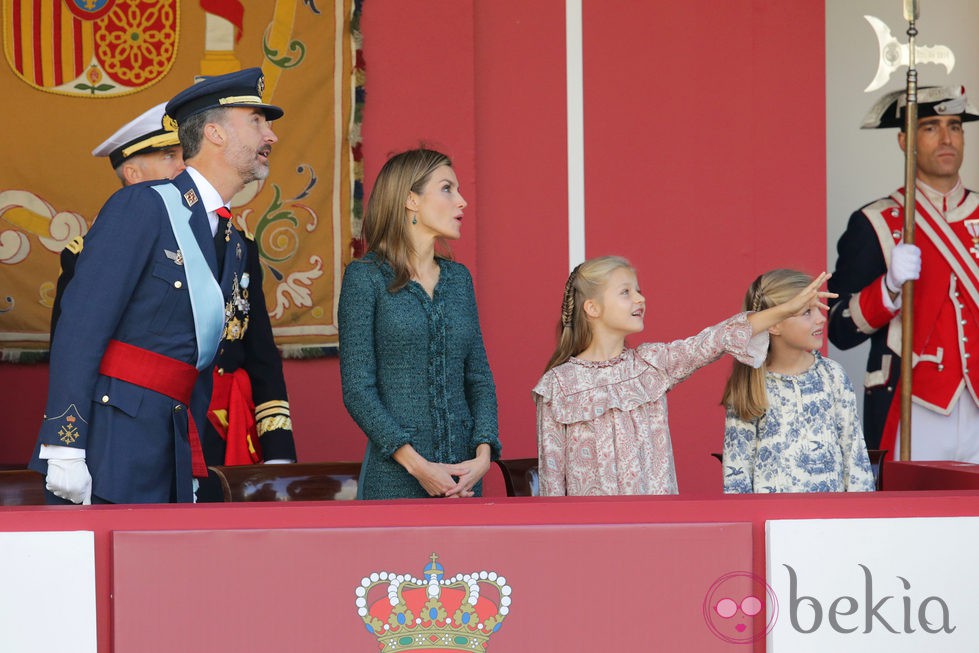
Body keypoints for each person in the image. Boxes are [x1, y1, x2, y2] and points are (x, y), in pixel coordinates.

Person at [30, 67, 283, 504]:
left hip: (174, 446)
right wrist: (64, 443)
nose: (271, 136)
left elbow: (197, 361)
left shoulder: (232, 241)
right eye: (257, 121)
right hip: (111, 447)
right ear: (214, 133)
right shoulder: (142, 206)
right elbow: (80, 326)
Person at [532, 256, 835, 496]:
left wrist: (786, 309)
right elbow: (552, 484)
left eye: (639, 290)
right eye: (626, 292)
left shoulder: (652, 364)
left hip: (657, 534)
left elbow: (715, 340)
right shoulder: (558, 386)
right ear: (592, 308)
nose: (640, 299)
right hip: (590, 542)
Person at [338, 148, 500, 500]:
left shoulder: (459, 280)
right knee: (394, 559)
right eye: (447, 189)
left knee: (470, 559)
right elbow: (357, 389)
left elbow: (479, 377)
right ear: (411, 200)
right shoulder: (365, 278)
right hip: (394, 479)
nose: (462, 201)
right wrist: (416, 465)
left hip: (464, 478)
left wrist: (484, 454)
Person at [828, 85, 979, 462]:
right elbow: (838, 328)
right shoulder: (876, 222)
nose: (946, 138)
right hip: (913, 405)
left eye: (955, 126)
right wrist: (888, 288)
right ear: (904, 139)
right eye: (930, 127)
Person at [721, 269, 876, 493]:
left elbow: (855, 457)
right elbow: (737, 472)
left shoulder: (833, 375)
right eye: (806, 312)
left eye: (819, 309)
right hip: (772, 524)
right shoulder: (751, 385)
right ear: (773, 325)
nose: (822, 318)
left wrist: (859, 519)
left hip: (829, 522)